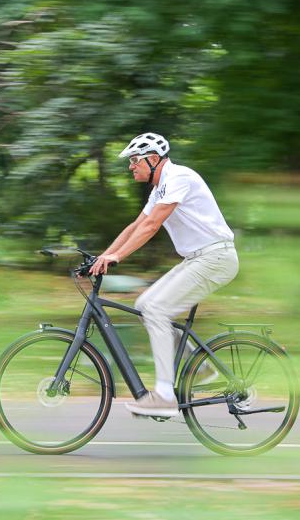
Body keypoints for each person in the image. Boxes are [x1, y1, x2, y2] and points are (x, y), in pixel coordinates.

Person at [89, 132, 238, 417]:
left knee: (157, 309)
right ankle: (200, 366)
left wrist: (117, 257)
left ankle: (165, 395)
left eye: (135, 160)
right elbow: (137, 225)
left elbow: (152, 226)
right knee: (145, 305)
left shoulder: (178, 178)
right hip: (198, 258)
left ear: (154, 159)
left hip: (216, 258)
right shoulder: (159, 189)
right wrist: (103, 256)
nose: (131, 166)